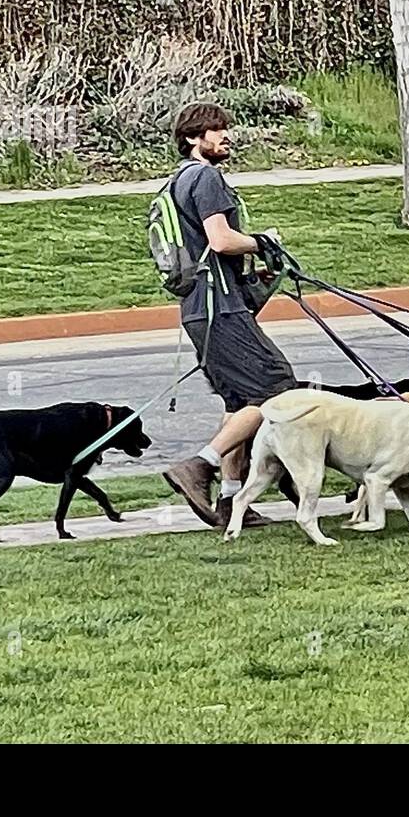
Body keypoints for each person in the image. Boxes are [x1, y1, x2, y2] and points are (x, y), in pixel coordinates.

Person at [161, 103, 299, 530]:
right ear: (192, 139)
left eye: (226, 128)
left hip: (201, 310)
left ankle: (230, 501)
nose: (226, 136)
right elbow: (220, 241)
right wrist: (262, 241)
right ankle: (198, 466)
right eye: (214, 130)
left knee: (239, 403)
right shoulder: (204, 177)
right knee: (275, 388)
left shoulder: (176, 182)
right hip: (219, 308)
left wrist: (254, 269)